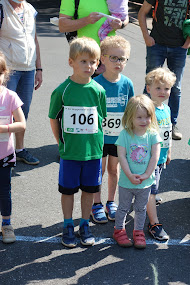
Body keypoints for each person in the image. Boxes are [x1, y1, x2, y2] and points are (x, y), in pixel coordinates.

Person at [48, 37, 107, 248]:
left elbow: (101, 120)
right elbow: (54, 117)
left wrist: (98, 147)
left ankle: (84, 223)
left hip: (92, 153)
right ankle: (67, 224)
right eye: (83, 61)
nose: (89, 66)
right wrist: (60, 143)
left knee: (89, 190)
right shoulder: (62, 90)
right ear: (71, 61)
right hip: (70, 152)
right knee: (68, 190)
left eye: (93, 62)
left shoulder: (99, 91)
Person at [91, 35, 134, 224]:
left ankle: (111, 202)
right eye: (113, 57)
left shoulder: (127, 84)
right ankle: (96, 203)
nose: (118, 62)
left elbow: (132, 110)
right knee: (98, 170)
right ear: (102, 58)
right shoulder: (95, 83)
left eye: (122, 58)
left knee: (114, 170)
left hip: (118, 138)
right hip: (99, 137)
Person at [113, 95, 161, 249]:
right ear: (130, 117)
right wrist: (128, 174)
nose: (144, 120)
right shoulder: (125, 134)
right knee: (123, 208)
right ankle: (119, 230)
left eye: (147, 117)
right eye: (139, 117)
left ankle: (138, 232)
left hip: (145, 183)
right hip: (127, 182)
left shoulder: (153, 135)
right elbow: (122, 156)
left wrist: (147, 175)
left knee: (140, 209)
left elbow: (155, 156)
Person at [138, 0, 190, 140]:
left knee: (175, 88)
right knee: (150, 85)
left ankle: (171, 125)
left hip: (179, 48)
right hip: (157, 45)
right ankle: (144, 121)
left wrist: (187, 43)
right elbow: (142, 13)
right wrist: (146, 37)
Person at [0, 0, 42, 165]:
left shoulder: (30, 9)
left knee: (22, 112)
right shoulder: (2, 7)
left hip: (29, 69)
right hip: (8, 70)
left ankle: (19, 150)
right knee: (4, 112)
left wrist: (39, 69)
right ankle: (4, 153)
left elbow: (35, 40)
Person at [145, 67, 176, 241]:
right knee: (151, 189)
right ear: (148, 89)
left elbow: (168, 131)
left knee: (153, 186)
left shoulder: (166, 108)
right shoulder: (147, 110)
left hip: (161, 157)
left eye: (166, 88)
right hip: (149, 159)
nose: (163, 92)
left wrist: (169, 151)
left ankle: (149, 199)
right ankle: (153, 223)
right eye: (158, 88)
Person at [59, 0, 129, 75]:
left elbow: (124, 15)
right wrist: (87, 20)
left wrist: (121, 24)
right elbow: (62, 26)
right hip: (86, 58)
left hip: (109, 58)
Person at [0, 51, 26, 243]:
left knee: (4, 191)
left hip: (5, 155)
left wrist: (5, 128)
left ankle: (7, 224)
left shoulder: (10, 97)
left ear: (5, 74)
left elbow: (22, 124)